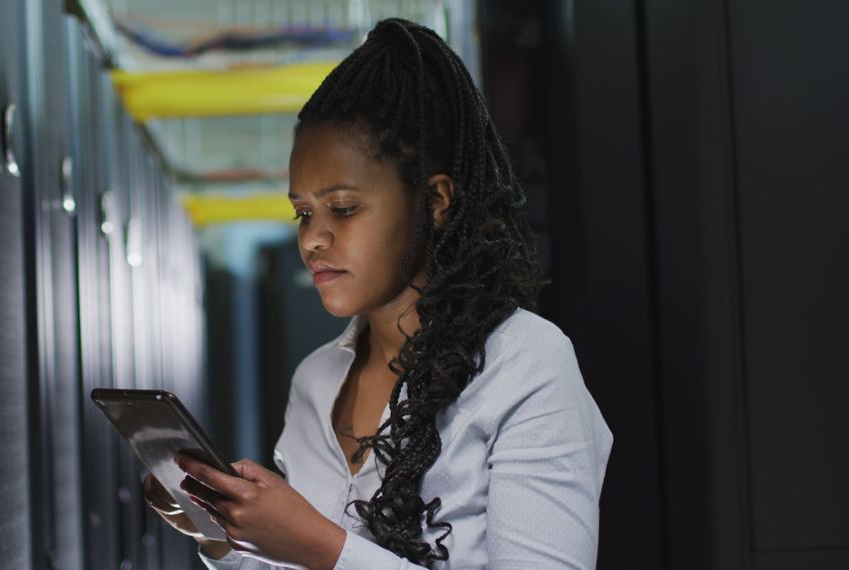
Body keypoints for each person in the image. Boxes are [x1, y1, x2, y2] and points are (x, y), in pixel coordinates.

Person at [143, 17, 613, 569]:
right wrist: (226, 537)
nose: (313, 240)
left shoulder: (526, 366)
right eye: (302, 213)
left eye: (342, 208)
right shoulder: (315, 380)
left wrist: (320, 544)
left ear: (435, 200)